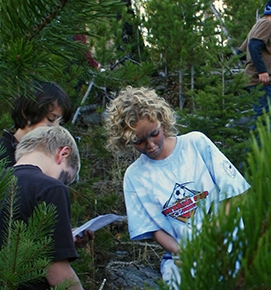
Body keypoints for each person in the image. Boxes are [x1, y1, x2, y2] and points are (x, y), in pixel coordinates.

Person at [104, 87, 250, 286]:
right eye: (139, 141)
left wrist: (212, 239)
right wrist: (184, 251)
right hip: (186, 260)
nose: (151, 145)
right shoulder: (134, 177)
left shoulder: (196, 144)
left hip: (232, 247)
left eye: (154, 134)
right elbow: (155, 229)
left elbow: (234, 194)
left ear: (162, 121)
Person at [0, 124, 83, 289]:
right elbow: (58, 275)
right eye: (66, 178)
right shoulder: (51, 189)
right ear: (63, 153)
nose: (63, 184)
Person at [0, 81, 72, 168]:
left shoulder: (50, 162)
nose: (55, 128)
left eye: (60, 123)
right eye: (50, 119)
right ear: (26, 113)